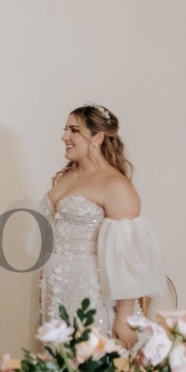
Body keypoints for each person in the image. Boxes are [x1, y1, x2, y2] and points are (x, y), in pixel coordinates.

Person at [38, 104, 166, 346]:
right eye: (65, 129)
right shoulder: (67, 176)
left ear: (97, 137)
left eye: (74, 130)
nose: (64, 137)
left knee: (91, 357)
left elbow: (127, 257)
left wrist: (123, 317)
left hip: (91, 291)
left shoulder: (115, 185)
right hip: (57, 289)